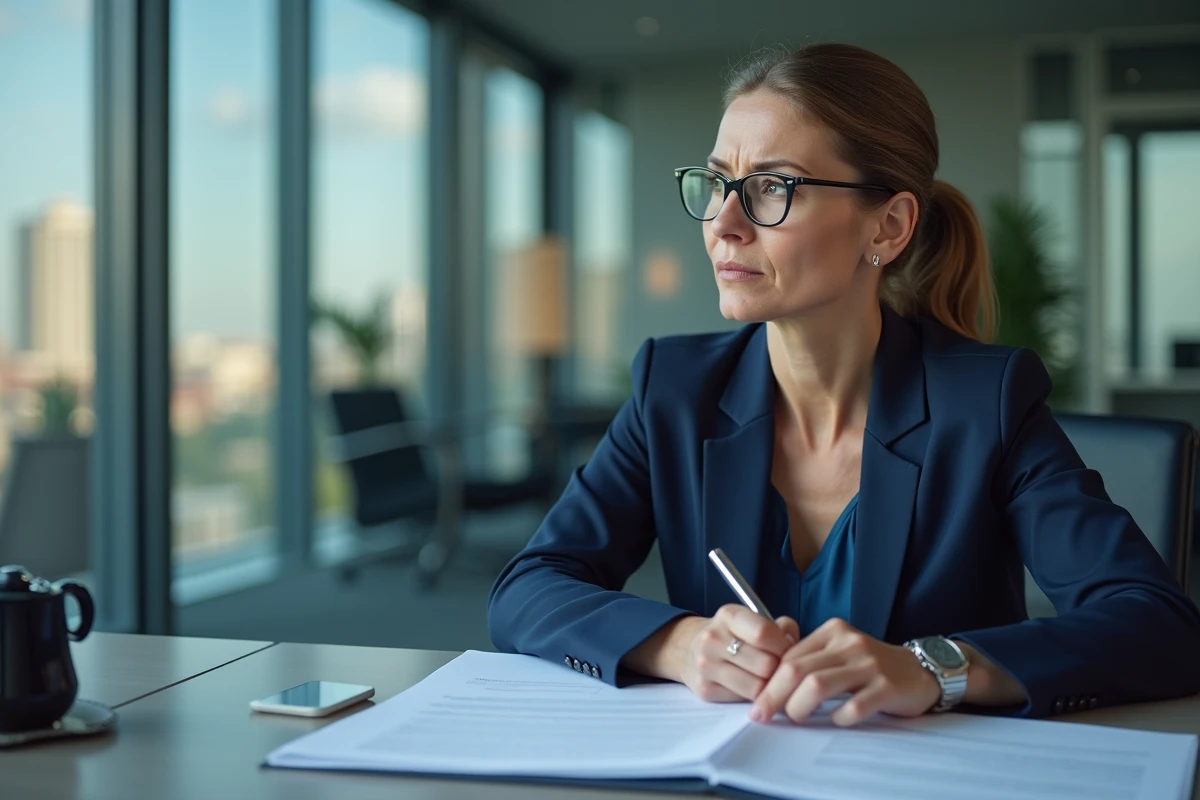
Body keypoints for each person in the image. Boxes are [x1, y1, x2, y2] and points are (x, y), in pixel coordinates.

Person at [487, 42, 1200, 726]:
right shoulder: (673, 390)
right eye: (718, 182)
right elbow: (528, 587)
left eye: (772, 188)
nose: (724, 223)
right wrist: (679, 643)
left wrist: (932, 667)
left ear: (887, 227)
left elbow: (1159, 625)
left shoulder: (985, 403)